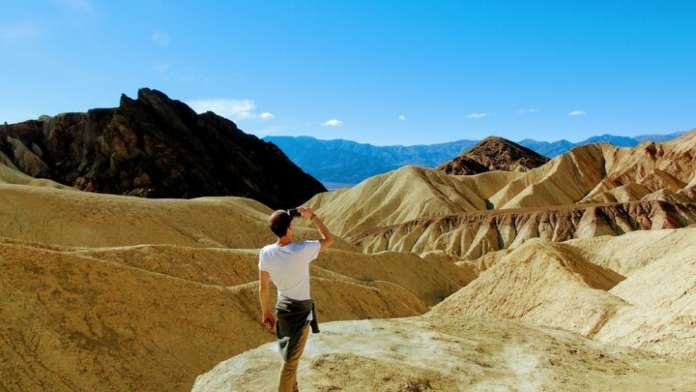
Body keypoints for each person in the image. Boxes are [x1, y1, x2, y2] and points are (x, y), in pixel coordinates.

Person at [258, 206, 334, 392]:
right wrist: (314, 217)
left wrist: (266, 312)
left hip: (282, 310)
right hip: (300, 313)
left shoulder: (266, 252)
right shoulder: (302, 249)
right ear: (290, 228)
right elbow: (329, 239)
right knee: (290, 363)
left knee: (291, 356)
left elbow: (263, 287)